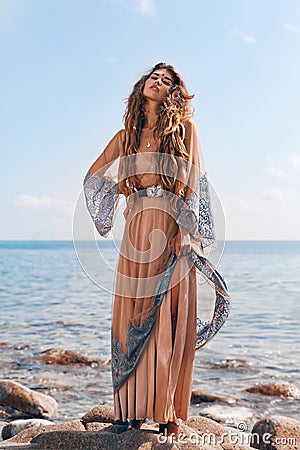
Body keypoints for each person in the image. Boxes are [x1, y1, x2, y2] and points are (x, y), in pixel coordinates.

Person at [83, 62, 231, 439]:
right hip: (136, 230)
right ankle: (130, 411)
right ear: (143, 86)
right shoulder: (125, 137)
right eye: (154, 77)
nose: (158, 82)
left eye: (167, 81)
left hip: (170, 226)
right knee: (131, 318)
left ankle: (166, 412)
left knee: (165, 317)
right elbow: (94, 175)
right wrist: (121, 190)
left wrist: (187, 231)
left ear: (173, 94)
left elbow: (195, 181)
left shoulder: (185, 131)